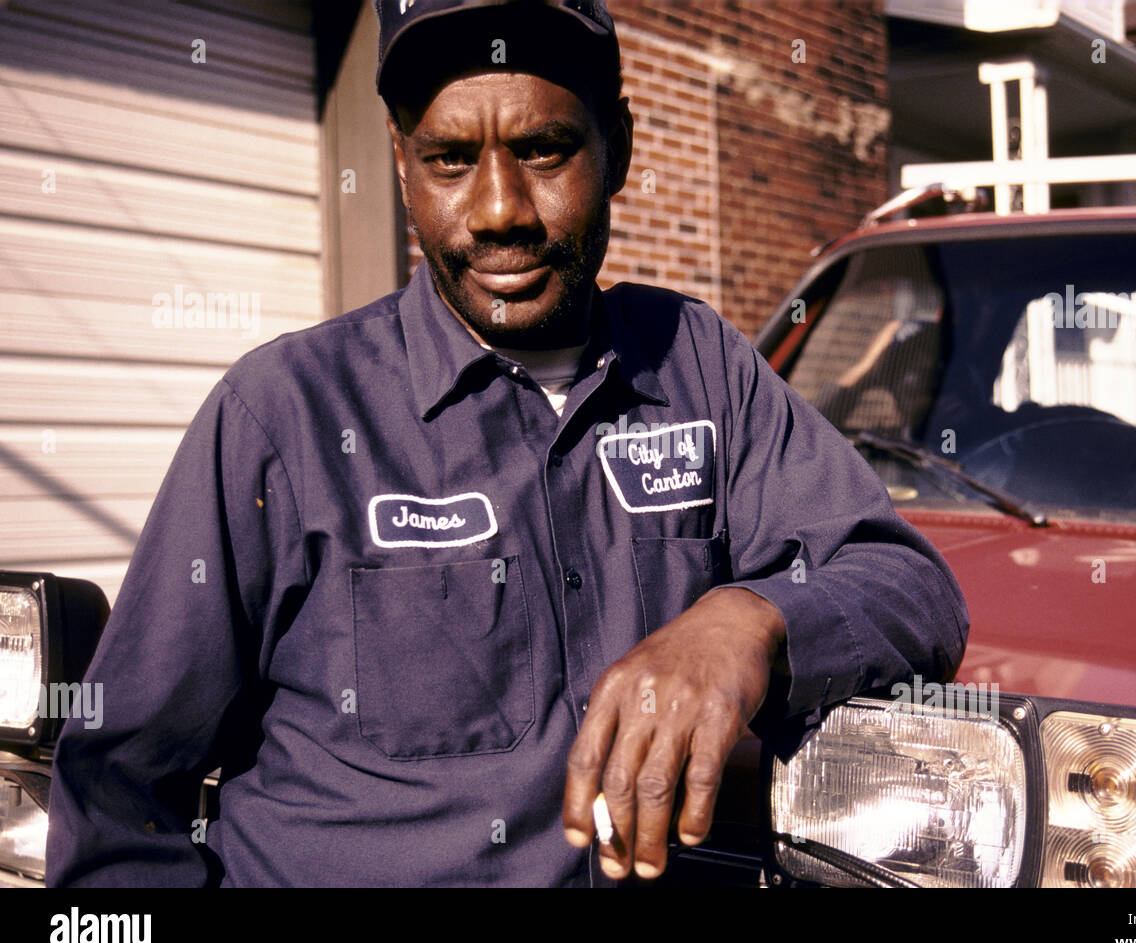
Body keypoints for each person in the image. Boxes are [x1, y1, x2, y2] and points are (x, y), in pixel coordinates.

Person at [46, 0, 968, 887]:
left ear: (620, 148)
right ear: (401, 166)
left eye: (544, 149)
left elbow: (911, 586)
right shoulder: (280, 416)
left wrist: (744, 623)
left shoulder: (700, 366)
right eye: (450, 159)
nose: (500, 211)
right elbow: (120, 797)